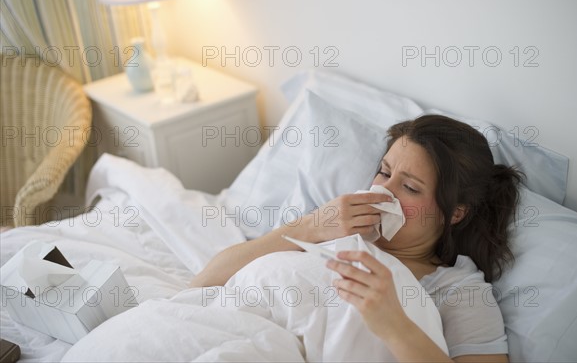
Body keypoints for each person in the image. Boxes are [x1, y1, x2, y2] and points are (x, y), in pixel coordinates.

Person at [190, 114, 521, 363]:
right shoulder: (333, 226)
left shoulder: (459, 290)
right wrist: (310, 226)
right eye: (385, 172)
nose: (383, 191)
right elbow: (204, 282)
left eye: (409, 187)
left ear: (455, 213)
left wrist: (394, 325)